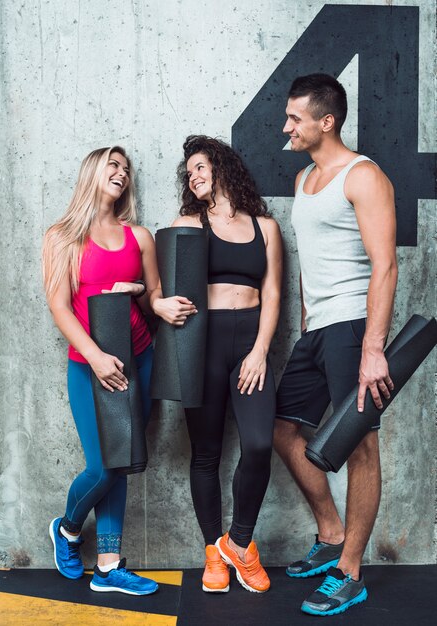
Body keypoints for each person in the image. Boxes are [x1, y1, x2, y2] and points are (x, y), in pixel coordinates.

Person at [274, 74, 397, 616]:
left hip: (352, 326)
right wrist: (304, 319)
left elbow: (385, 265)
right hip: (317, 327)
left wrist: (373, 348)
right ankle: (330, 534)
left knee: (359, 443)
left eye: (295, 118)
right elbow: (311, 259)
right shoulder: (305, 178)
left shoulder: (363, 175)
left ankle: (351, 570)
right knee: (282, 429)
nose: (286, 127)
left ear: (326, 121)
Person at [152, 135, 282, 593]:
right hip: (200, 344)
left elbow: (274, 295)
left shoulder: (265, 226)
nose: (195, 175)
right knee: (205, 454)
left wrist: (261, 349)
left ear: (223, 166)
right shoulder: (186, 224)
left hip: (250, 340)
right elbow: (163, 284)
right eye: (189, 172)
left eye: (202, 166)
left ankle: (240, 544)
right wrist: (153, 300)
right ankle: (213, 551)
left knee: (259, 445)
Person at [42, 146, 162, 595]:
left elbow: (152, 297)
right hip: (89, 366)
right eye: (113, 165)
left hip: (140, 358)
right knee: (104, 466)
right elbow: (59, 306)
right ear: (92, 171)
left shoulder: (140, 236)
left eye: (126, 169)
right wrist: (94, 355)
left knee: (125, 461)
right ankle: (68, 529)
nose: (121, 173)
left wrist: (146, 297)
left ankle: (109, 566)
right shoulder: (61, 237)